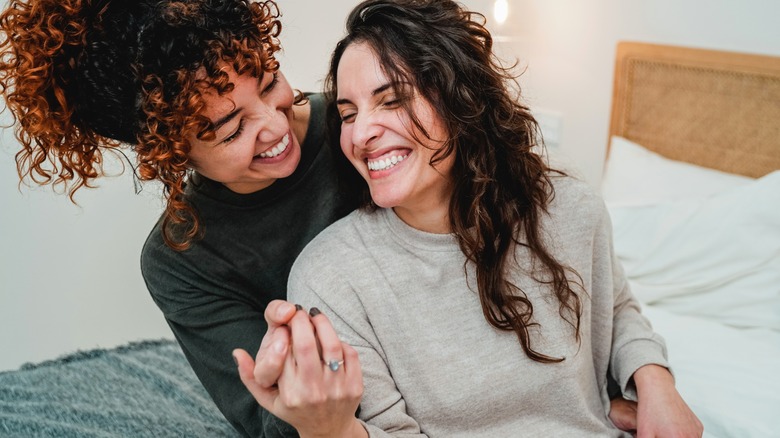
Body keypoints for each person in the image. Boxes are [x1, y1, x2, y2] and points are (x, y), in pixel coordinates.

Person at [234, 0, 704, 436]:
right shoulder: (332, 278)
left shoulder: (571, 208)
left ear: (460, 100)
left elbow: (616, 306)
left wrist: (656, 381)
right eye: (348, 114)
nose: (361, 134)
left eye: (392, 99)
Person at [0, 0, 356, 436]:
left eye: (268, 83)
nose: (275, 126)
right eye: (231, 128)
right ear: (170, 150)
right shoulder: (181, 259)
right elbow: (269, 420)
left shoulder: (358, 125)